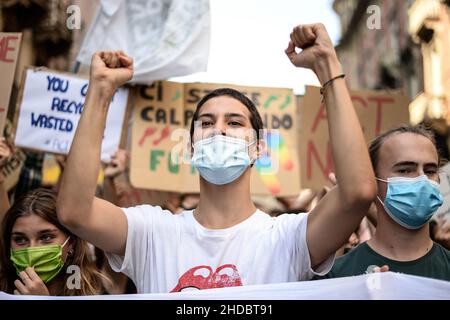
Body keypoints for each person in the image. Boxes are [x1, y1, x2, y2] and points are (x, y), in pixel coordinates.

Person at [56, 23, 377, 293]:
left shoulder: (288, 238)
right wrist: (100, 91)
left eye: (234, 123)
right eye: (206, 123)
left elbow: (358, 193)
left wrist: (327, 67)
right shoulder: (151, 232)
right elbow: (75, 211)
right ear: (191, 148)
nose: (218, 130)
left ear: (258, 149)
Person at [321, 125, 450, 281]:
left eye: (430, 171)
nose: (422, 180)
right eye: (405, 170)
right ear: (372, 183)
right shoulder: (337, 277)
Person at [0, 188, 110, 295]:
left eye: (45, 237)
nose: (31, 249)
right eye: (20, 239)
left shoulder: (95, 293)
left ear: (71, 242)